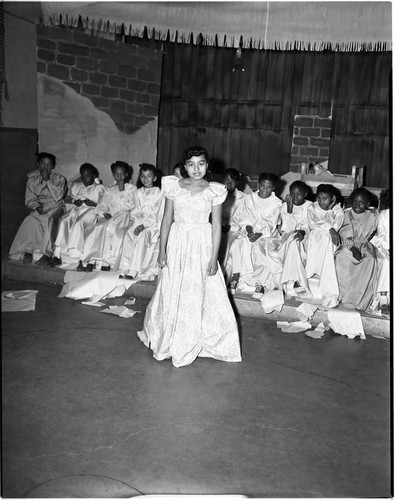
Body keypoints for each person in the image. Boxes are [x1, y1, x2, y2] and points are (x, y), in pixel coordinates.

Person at [137, 146, 242, 368]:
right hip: (177, 241)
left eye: (201, 164)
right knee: (173, 286)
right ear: (185, 167)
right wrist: (162, 250)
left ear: (207, 165)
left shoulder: (214, 190)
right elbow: (166, 220)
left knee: (197, 288)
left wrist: (214, 257)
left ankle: (196, 337)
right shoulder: (174, 186)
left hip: (201, 244)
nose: (196, 169)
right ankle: (169, 336)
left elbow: (215, 226)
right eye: (191, 164)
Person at [225, 172, 283, 298]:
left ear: (273, 188)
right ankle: (235, 276)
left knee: (260, 248)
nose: (264, 190)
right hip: (248, 231)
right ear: (258, 184)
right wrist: (250, 232)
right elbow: (245, 217)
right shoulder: (249, 198)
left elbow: (271, 223)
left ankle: (260, 283)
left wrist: (258, 234)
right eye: (262, 186)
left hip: (267, 234)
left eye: (268, 187)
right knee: (237, 243)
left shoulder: (277, 203)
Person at [9, 152, 67, 265]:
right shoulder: (32, 179)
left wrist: (47, 180)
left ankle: (47, 254)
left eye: (48, 164)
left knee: (49, 219)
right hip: (41, 208)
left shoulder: (59, 179)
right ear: (38, 164)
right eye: (42, 164)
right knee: (30, 220)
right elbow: (29, 199)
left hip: (56, 207)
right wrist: (36, 207)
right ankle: (26, 250)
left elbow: (58, 197)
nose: (45, 167)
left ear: (53, 166)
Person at [80, 161, 137, 271]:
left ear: (126, 175)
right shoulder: (109, 189)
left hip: (122, 216)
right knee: (96, 228)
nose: (119, 177)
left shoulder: (131, 189)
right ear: (113, 175)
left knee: (112, 230)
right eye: (116, 174)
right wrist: (103, 212)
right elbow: (103, 204)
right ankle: (91, 259)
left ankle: (108, 262)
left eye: (122, 174)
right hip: (110, 216)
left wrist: (122, 191)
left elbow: (130, 204)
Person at [51, 163, 105, 266]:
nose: (84, 179)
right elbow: (73, 198)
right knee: (63, 221)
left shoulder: (99, 189)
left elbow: (103, 204)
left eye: (87, 176)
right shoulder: (77, 186)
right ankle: (57, 254)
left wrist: (93, 204)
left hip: (91, 210)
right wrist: (76, 202)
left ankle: (77, 255)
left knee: (79, 224)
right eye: (82, 176)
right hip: (77, 209)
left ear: (94, 176)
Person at [117, 164, 165, 279]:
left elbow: (157, 214)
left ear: (154, 178)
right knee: (129, 233)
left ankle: (134, 269)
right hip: (140, 223)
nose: (145, 179)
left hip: (153, 226)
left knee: (143, 236)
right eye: (143, 176)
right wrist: (138, 224)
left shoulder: (159, 193)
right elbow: (136, 210)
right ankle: (125, 267)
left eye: (149, 176)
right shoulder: (138, 192)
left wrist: (144, 225)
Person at [334, 188, 378, 310]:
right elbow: (346, 234)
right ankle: (343, 295)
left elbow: (375, 231)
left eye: (361, 202)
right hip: (349, 244)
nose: (357, 205)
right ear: (350, 201)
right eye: (355, 202)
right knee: (342, 255)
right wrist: (353, 248)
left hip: (364, 243)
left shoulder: (373, 215)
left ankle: (360, 298)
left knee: (370, 258)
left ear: (368, 204)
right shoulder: (346, 213)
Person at [305, 184, 344, 308]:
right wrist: (330, 229)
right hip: (314, 237)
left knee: (328, 239)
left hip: (328, 240)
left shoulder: (337, 209)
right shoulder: (312, 207)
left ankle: (329, 290)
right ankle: (308, 274)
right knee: (324, 237)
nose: (321, 201)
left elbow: (337, 225)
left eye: (325, 198)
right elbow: (314, 223)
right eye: (319, 198)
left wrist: (330, 210)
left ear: (332, 199)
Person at [279, 181, 313, 296]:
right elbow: (287, 228)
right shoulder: (285, 206)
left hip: (306, 236)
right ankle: (297, 281)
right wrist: (289, 209)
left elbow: (310, 226)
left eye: (298, 194)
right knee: (293, 240)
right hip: (288, 237)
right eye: (292, 194)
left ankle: (287, 281)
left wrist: (303, 231)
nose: (295, 197)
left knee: (296, 241)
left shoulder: (310, 206)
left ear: (305, 194)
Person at [218, 168, 246, 274]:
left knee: (230, 240)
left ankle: (227, 274)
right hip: (217, 226)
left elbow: (243, 218)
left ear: (237, 183)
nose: (229, 183)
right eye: (226, 180)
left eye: (232, 181)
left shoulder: (243, 198)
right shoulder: (216, 195)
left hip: (234, 229)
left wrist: (230, 225)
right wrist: (220, 224)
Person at [370, 188, 390, 312]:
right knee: (386, 262)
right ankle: (383, 298)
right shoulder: (384, 215)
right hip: (385, 247)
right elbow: (382, 234)